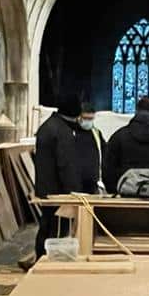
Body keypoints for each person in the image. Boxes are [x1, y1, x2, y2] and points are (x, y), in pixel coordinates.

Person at [31, 92, 101, 261]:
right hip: (58, 192)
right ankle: (46, 260)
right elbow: (66, 164)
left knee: (47, 225)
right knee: (56, 231)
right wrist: (74, 192)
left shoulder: (48, 126)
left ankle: (41, 257)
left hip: (46, 187)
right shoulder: (62, 131)